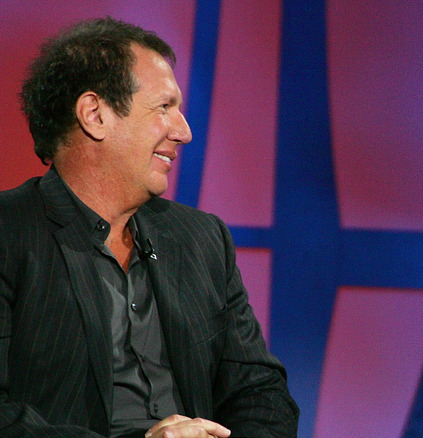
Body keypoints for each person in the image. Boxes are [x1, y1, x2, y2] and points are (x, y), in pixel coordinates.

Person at [0, 17, 299, 438]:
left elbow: (261, 391)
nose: (185, 132)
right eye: (164, 107)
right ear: (94, 114)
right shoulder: (9, 233)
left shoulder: (202, 239)